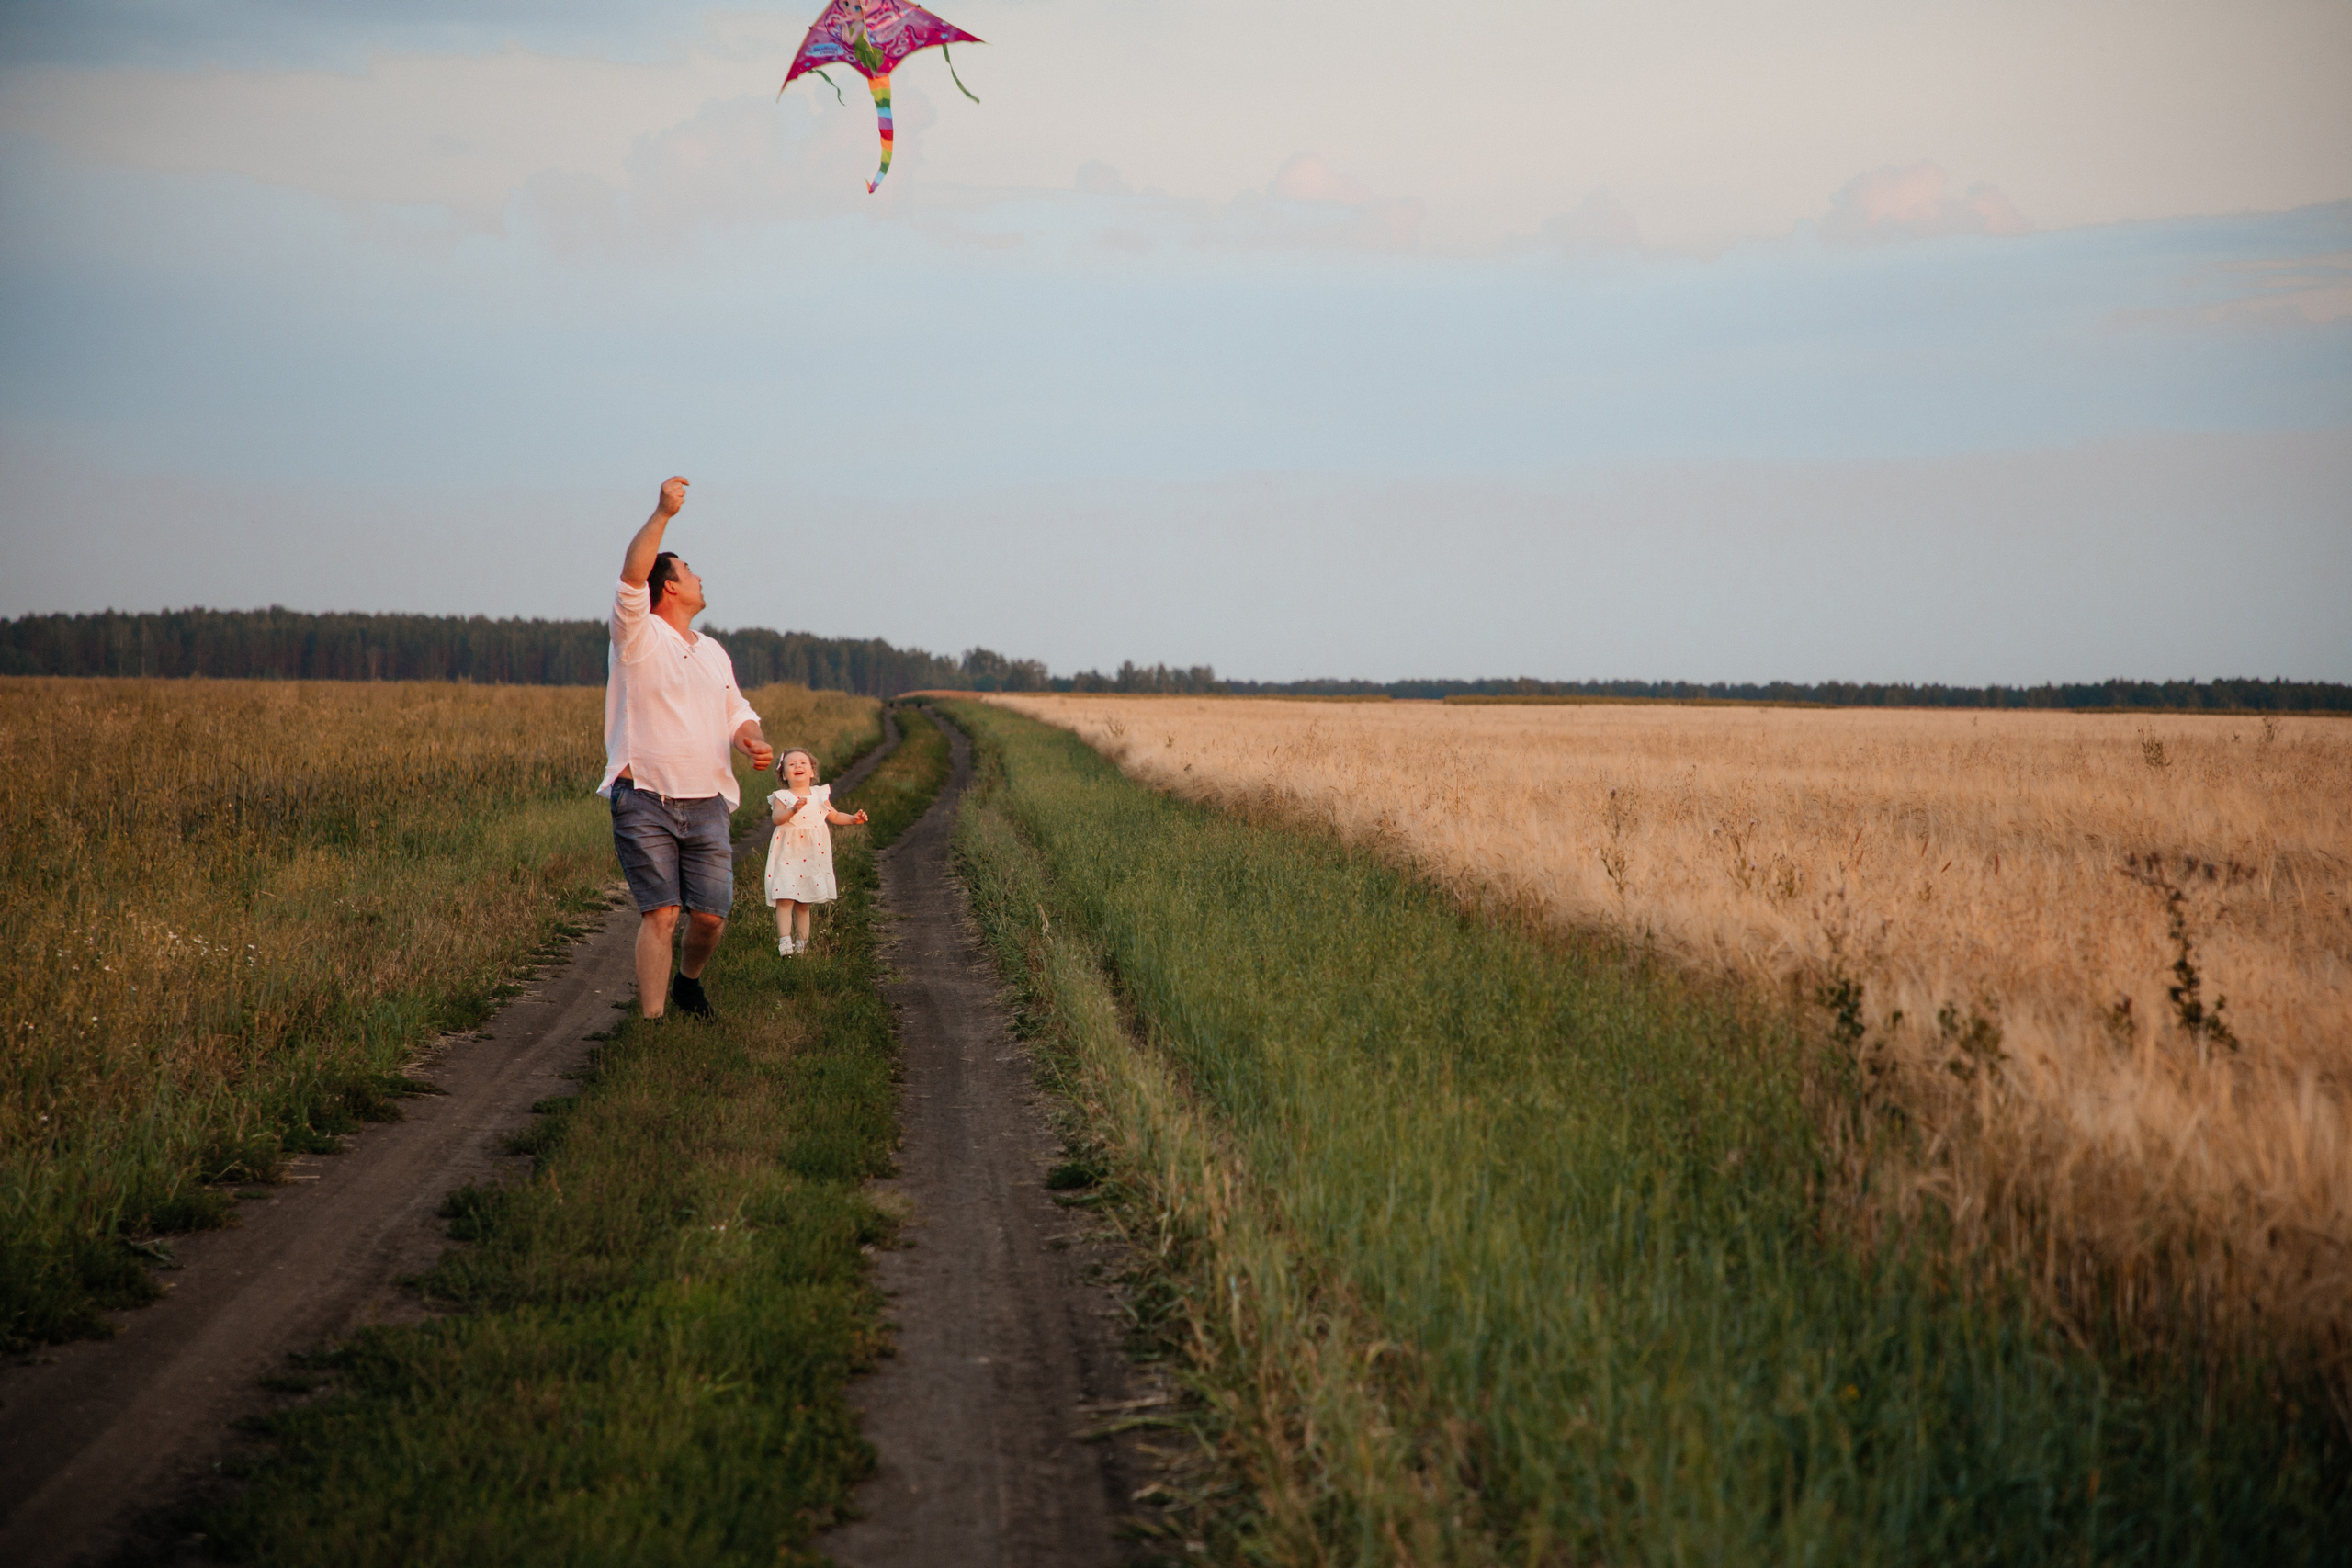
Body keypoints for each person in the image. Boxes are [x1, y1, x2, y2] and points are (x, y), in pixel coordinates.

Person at [600, 475, 774, 1020]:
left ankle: (688, 983)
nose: (699, 577)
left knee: (711, 918)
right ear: (670, 586)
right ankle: (651, 1026)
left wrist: (751, 739)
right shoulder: (638, 634)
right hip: (644, 794)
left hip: (707, 802)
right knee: (663, 914)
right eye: (689, 570)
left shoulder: (713, 651)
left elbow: (735, 711)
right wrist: (662, 513)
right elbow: (633, 572)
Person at [764, 747, 867, 956]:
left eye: (803, 763)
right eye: (791, 765)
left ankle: (803, 946)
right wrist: (792, 810)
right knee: (785, 896)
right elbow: (776, 819)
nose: (798, 766)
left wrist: (853, 819)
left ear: (812, 772)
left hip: (811, 855)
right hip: (788, 853)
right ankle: (785, 943)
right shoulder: (782, 796)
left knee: (804, 901)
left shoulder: (820, 794)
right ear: (784, 775)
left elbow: (835, 816)